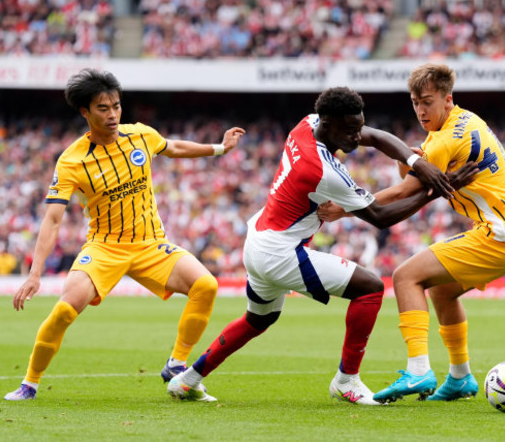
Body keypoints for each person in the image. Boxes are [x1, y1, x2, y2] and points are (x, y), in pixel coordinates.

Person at [166, 87, 477, 404]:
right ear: (329, 124)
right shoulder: (323, 171)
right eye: (349, 131)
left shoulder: (308, 123)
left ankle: (187, 380)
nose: (357, 138)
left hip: (259, 240)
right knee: (370, 288)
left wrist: (414, 160)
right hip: (279, 251)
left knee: (257, 320)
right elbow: (381, 217)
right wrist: (441, 189)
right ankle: (347, 380)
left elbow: (376, 136)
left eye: (358, 127)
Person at [4, 68, 246, 400]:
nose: (113, 114)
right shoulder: (72, 161)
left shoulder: (140, 135)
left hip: (150, 244)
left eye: (116, 106)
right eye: (103, 108)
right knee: (63, 311)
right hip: (105, 248)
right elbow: (53, 219)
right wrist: (34, 274)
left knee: (205, 285)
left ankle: (176, 365)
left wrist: (219, 149)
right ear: (85, 112)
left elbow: (172, 147)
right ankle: (29, 383)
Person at [366, 63, 505, 403]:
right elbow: (417, 170)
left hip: (499, 235)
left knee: (404, 277)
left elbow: (404, 192)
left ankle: (417, 370)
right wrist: (410, 161)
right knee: (442, 292)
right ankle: (460, 378)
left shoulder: (444, 141)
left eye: (427, 101)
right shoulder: (467, 120)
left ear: (447, 99)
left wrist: (342, 206)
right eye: (415, 102)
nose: (420, 110)